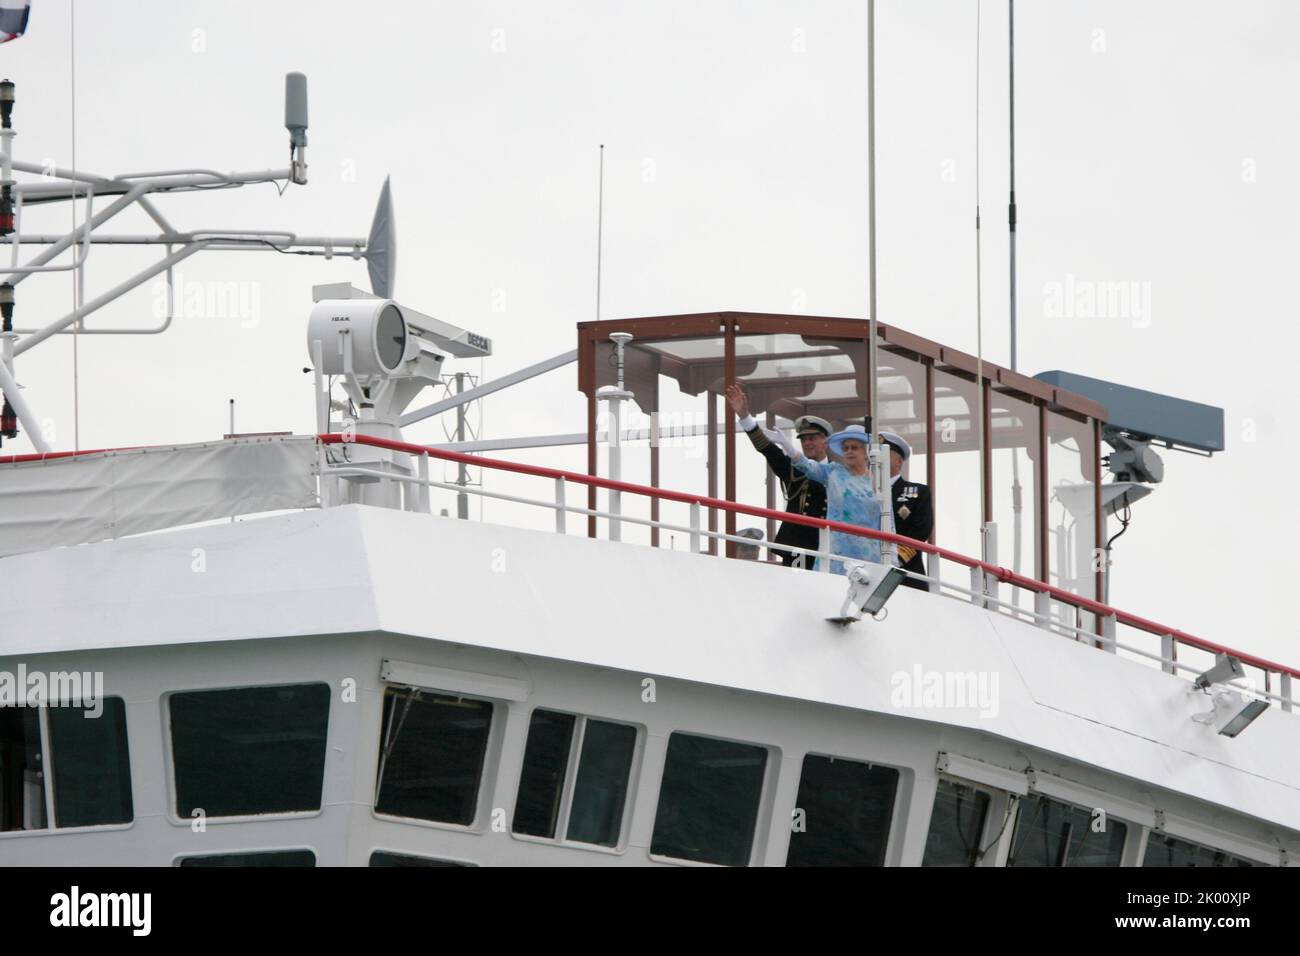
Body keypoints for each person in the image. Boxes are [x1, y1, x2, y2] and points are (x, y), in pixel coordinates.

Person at [724, 383, 829, 569]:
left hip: (832, 547)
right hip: (800, 547)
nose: (807, 443)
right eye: (803, 439)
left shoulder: (838, 472)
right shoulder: (794, 471)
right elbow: (767, 449)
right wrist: (744, 416)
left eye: (812, 438)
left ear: (825, 441)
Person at [765, 421, 883, 575]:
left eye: (854, 447)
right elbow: (806, 465)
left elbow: (888, 521)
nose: (849, 451)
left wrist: (892, 558)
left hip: (869, 554)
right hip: (836, 551)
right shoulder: (833, 472)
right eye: (845, 448)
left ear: (866, 451)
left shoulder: (878, 483)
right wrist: (788, 446)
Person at [876, 430, 934, 591]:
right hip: (866, 568)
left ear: (899, 461)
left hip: (906, 574)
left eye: (884, 454)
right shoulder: (863, 491)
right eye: (874, 455)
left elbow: (921, 530)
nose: (877, 460)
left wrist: (894, 558)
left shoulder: (918, 492)